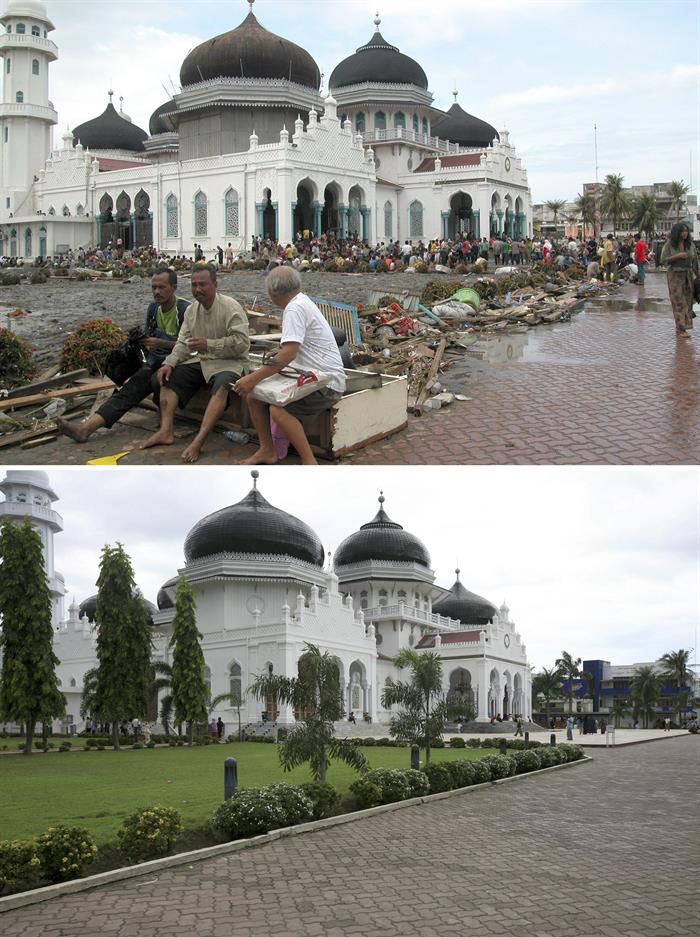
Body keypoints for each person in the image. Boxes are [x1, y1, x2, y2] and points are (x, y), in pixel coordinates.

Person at [57, 268, 190, 442]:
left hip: (180, 363)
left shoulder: (185, 310)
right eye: (154, 287)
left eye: (161, 287)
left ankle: (166, 421)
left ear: (173, 287)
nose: (157, 292)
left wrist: (162, 343)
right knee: (128, 389)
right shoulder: (153, 309)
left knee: (154, 379)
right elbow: (149, 336)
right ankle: (86, 428)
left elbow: (190, 347)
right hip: (158, 361)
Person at [234, 266, 346, 466]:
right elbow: (289, 351)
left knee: (278, 410)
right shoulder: (301, 301)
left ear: (272, 293)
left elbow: (288, 354)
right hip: (314, 374)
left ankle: (309, 461)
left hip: (327, 382)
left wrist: (252, 378)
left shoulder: (294, 308)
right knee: (254, 397)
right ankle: (267, 450)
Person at [140, 264, 250, 462]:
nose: (198, 289)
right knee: (167, 377)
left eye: (203, 284)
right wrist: (170, 363)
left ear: (215, 285)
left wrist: (210, 344)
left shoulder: (231, 306)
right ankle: (166, 431)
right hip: (203, 360)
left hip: (230, 362)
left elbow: (242, 344)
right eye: (194, 285)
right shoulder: (192, 311)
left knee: (222, 387)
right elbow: (183, 342)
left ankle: (199, 440)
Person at [660, 222, 698, 337]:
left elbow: (695, 263)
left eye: (686, 231)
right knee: (678, 302)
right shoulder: (669, 245)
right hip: (675, 275)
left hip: (688, 275)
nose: (684, 233)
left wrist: (698, 276)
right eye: (682, 231)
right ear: (677, 232)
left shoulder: (691, 245)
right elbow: (663, 260)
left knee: (688, 301)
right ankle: (681, 329)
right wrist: (678, 256)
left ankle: (682, 326)